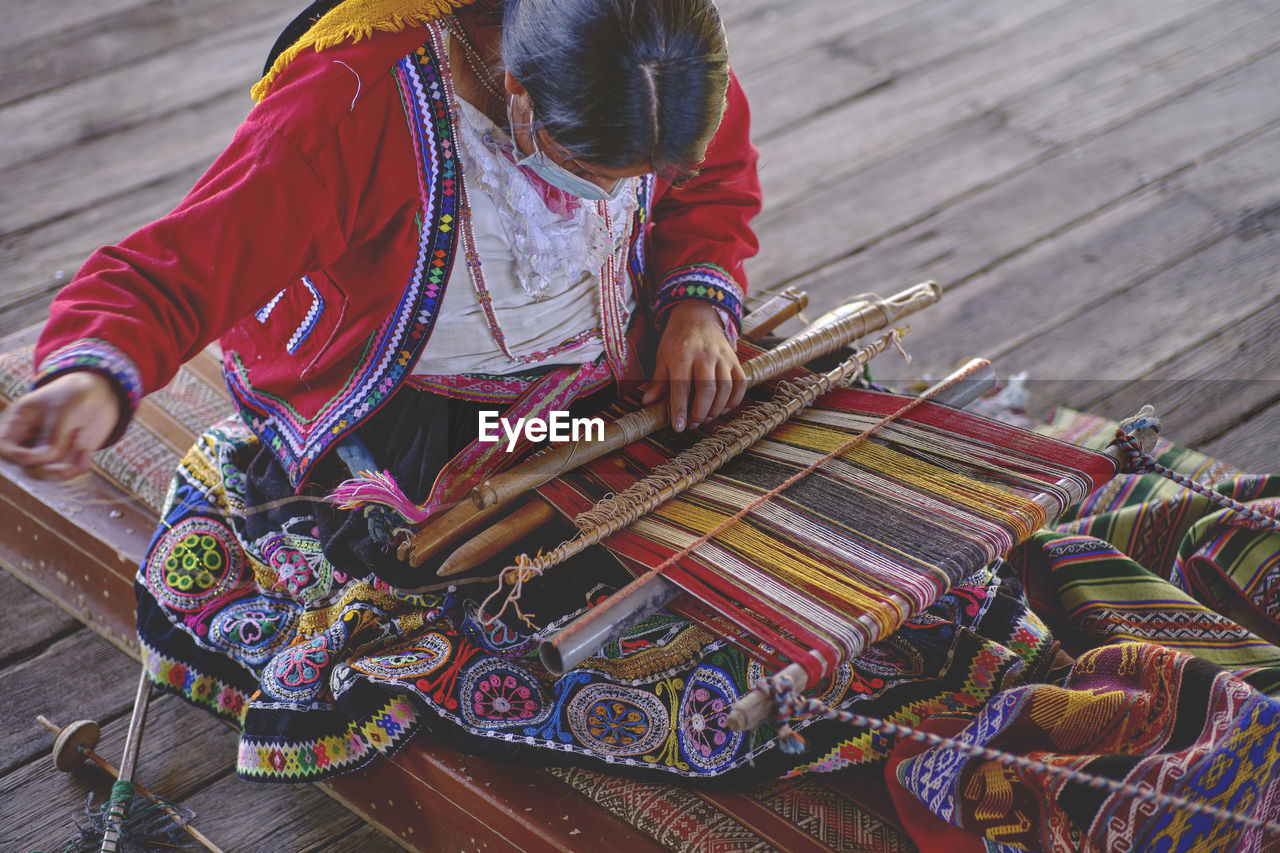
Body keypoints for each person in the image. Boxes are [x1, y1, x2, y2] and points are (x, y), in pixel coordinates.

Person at [4, 2, 1280, 850]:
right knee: (611, 622)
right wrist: (99, 378)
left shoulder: (647, 43)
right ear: (512, 90)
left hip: (608, 394)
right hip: (429, 441)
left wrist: (695, 309)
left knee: (853, 521)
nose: (618, 193)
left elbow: (711, 192)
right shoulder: (353, 108)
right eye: (591, 168)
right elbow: (169, 268)